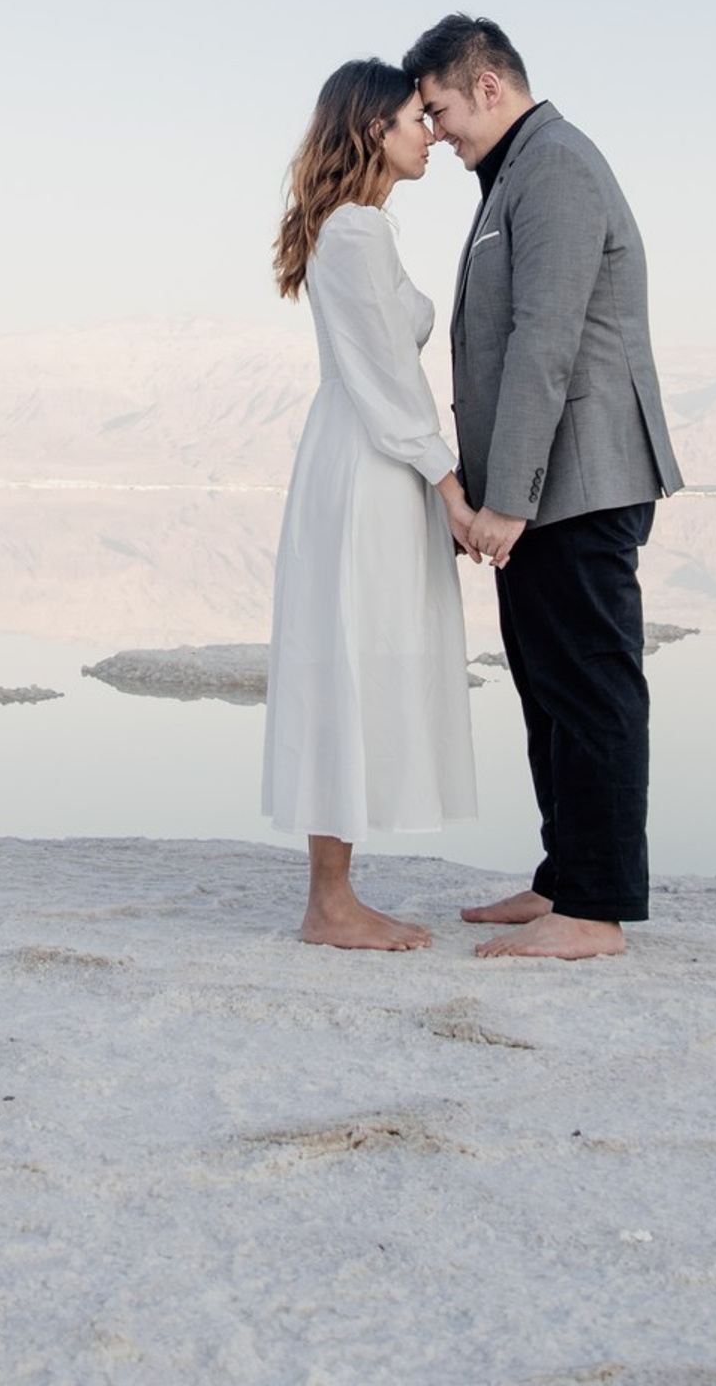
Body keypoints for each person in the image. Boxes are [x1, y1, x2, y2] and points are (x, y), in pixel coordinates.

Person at [404, 14, 681, 960]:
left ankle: (595, 912)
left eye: (439, 109)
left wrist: (506, 499)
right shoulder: (513, 175)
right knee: (548, 685)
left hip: (578, 481)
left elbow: (545, 343)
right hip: (540, 486)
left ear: (487, 86)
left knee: (593, 687)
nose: (435, 132)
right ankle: (564, 877)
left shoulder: (554, 164)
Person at [263, 58, 479, 949]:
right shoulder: (356, 233)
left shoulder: (357, 228)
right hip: (370, 461)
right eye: (411, 119)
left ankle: (335, 894)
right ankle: (331, 901)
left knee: (350, 658)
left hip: (363, 453)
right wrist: (450, 485)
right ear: (370, 132)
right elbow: (390, 377)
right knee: (348, 659)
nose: (428, 131)